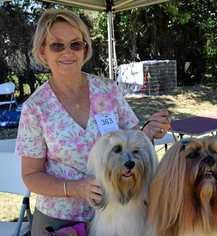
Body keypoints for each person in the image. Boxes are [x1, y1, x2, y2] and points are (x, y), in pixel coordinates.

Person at [15, 8, 170, 235]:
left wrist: (148, 131)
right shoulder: (35, 108)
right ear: (42, 51)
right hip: (62, 220)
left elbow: (133, 140)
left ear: (85, 48)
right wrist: (75, 189)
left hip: (118, 215)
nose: (68, 52)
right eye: (57, 45)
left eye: (75, 44)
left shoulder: (107, 90)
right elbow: (31, 176)